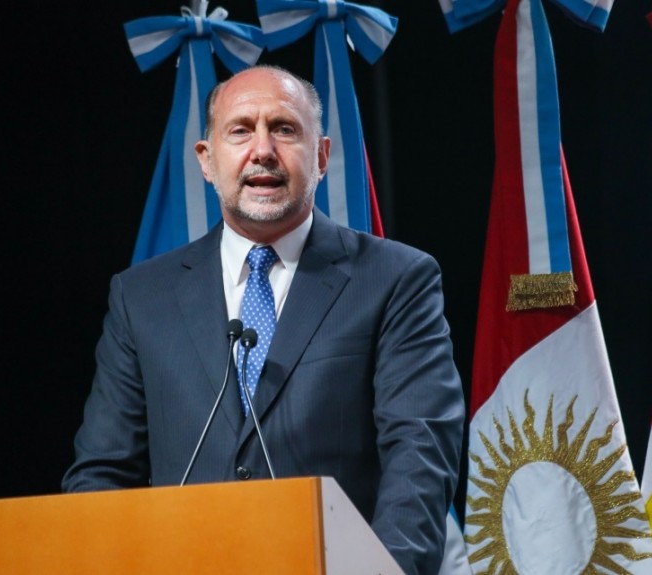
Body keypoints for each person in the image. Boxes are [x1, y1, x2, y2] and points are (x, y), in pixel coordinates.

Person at [62, 65, 464, 574]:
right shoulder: (141, 297)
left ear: (321, 156)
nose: (263, 150)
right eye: (240, 131)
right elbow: (102, 474)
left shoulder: (395, 280)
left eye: (284, 129)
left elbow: (419, 460)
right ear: (206, 160)